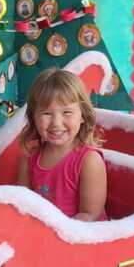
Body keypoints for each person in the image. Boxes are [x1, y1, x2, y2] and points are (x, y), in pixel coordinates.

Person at [16, 68, 107, 221]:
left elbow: (90, 214)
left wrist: (53, 234)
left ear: (83, 115)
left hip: (81, 231)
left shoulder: (90, 161)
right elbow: (21, 205)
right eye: (46, 113)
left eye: (67, 112)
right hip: (41, 231)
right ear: (33, 117)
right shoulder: (29, 158)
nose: (56, 123)